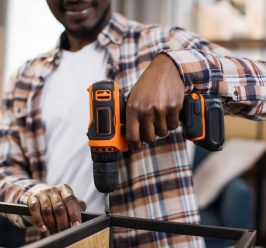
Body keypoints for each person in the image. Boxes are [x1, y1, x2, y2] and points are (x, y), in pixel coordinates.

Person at [0, 0, 265, 247]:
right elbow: (4, 171)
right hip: (61, 240)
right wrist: (37, 195)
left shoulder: (166, 43)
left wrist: (179, 68)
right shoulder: (25, 78)